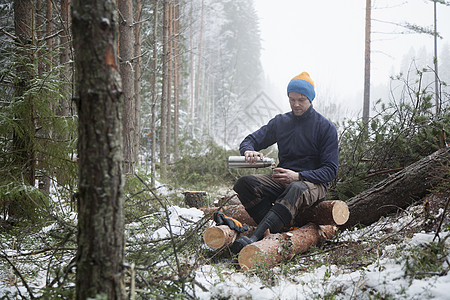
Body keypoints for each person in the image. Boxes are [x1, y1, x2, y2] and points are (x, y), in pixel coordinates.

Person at [231, 72, 339, 254]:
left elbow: (330, 171)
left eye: (301, 100)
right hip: (283, 179)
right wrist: (248, 150)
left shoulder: (325, 127)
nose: (296, 104)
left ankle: (254, 238)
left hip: (313, 184)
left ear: (310, 99)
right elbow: (250, 140)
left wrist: (298, 176)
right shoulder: (281, 122)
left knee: (296, 187)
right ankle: (279, 229)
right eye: (292, 99)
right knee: (245, 184)